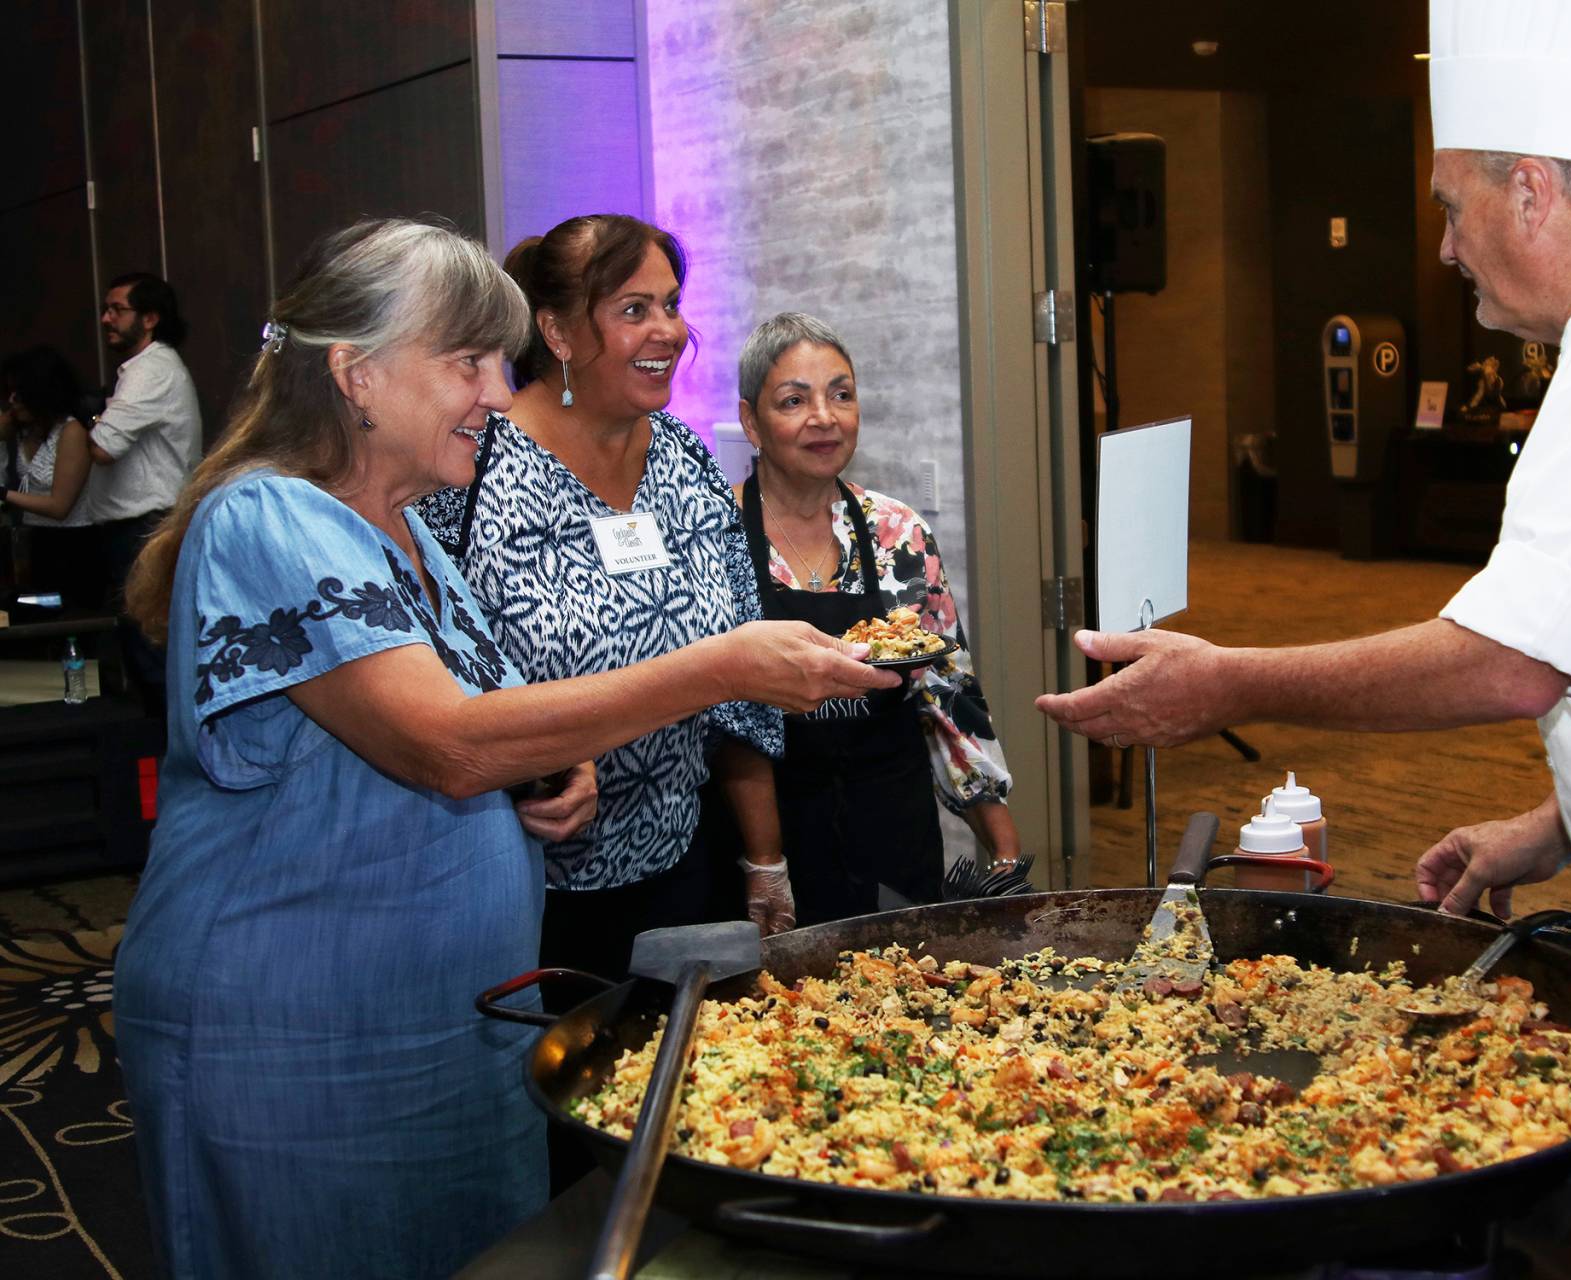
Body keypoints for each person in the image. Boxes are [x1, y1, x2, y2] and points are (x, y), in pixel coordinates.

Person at [1038, 2, 1571, 1275]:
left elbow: (1513, 656)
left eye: (1454, 206)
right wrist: (1552, 827)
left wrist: (1225, 682)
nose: (1444, 245)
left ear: (1534, 188)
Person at [112, 218, 893, 1279]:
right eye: (467, 360)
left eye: (500, 358)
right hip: (301, 1035)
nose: (495, 389)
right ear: (357, 375)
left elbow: (478, 709)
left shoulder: (412, 525)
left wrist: (549, 762)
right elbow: (443, 744)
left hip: (455, 1021)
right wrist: (719, 667)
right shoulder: (268, 520)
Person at [420, 214, 800, 983]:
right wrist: (528, 772)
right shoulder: (469, 467)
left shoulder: (686, 459)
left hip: (681, 864)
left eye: (670, 303)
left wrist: (764, 860)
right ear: (557, 332)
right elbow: (428, 679)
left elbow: (737, 681)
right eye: (634, 310)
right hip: (522, 881)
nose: (668, 330)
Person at [734, 313, 1019, 923]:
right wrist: (763, 864)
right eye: (794, 400)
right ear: (750, 421)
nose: (824, 417)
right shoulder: (714, 535)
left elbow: (950, 700)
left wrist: (1004, 851)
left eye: (841, 394)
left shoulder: (899, 534)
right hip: (766, 842)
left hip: (893, 830)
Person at [91, 271, 201, 701]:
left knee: (153, 655)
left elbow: (102, 447)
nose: (106, 318)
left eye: (117, 309)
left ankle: (165, 755)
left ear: (150, 318)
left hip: (147, 526)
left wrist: (91, 421)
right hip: (138, 525)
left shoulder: (151, 368)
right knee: (140, 650)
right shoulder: (141, 368)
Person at [1, 344, 104, 605]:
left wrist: (4, 495)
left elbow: (60, 506)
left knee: (68, 620)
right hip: (37, 541)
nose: (12, 401)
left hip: (71, 546)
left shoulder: (71, 432)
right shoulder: (27, 430)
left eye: (19, 393)